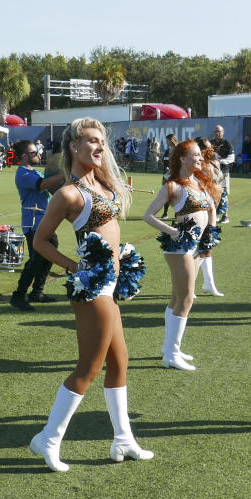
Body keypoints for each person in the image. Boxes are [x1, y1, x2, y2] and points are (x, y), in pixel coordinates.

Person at [28, 117, 152, 472]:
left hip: (112, 282)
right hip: (93, 285)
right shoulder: (68, 194)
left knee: (120, 361)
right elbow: (39, 242)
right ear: (74, 146)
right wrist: (74, 267)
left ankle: (124, 439)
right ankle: (48, 438)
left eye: (102, 141)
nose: (100, 147)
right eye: (92, 141)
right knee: (90, 366)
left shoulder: (103, 183)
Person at [143, 139, 218, 371]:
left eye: (200, 155)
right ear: (182, 159)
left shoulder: (198, 181)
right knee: (186, 299)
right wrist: (173, 231)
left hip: (195, 246)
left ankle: (169, 349)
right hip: (179, 247)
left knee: (177, 298)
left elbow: (211, 208)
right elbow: (149, 215)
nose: (199, 158)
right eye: (195, 155)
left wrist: (210, 234)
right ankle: (172, 354)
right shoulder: (173, 186)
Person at [9, 139, 67, 311]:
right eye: (35, 152)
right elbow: (43, 185)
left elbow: (51, 186)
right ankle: (18, 296)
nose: (39, 154)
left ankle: (37, 292)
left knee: (50, 253)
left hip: (44, 221)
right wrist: (66, 174)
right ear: (25, 156)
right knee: (36, 259)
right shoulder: (23, 173)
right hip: (33, 223)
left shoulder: (34, 171)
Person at [195, 138, 226, 296]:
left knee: (207, 248)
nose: (211, 151)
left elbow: (221, 184)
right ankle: (189, 286)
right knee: (194, 248)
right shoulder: (196, 166)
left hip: (212, 210)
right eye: (207, 148)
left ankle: (209, 284)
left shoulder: (215, 163)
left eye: (211, 148)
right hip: (198, 211)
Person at [211, 125, 233, 223]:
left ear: (223, 132)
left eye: (219, 131)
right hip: (212, 172)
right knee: (213, 194)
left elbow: (231, 158)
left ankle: (225, 216)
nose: (217, 133)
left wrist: (220, 161)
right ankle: (215, 215)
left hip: (223, 172)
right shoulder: (210, 143)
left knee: (224, 194)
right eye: (216, 131)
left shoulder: (227, 144)